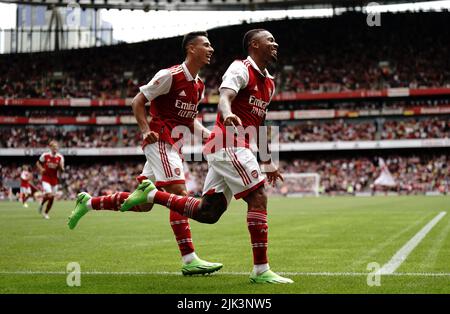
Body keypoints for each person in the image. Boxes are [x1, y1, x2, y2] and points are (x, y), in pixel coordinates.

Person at [121, 29, 293, 284]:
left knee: (208, 213)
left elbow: (260, 122)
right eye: (270, 40)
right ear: (255, 45)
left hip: (231, 145)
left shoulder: (269, 83)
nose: (275, 43)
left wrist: (267, 161)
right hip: (228, 143)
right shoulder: (240, 68)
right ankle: (260, 269)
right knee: (257, 196)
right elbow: (225, 97)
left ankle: (152, 194)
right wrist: (227, 113)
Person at [68, 31, 222, 276]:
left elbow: (189, 119)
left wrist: (209, 134)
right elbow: (137, 101)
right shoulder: (169, 76)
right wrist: (144, 129)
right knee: (179, 194)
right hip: (160, 141)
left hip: (174, 145)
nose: (211, 49)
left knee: (143, 205)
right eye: (206, 44)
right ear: (191, 49)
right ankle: (190, 259)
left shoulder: (199, 86)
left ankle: (88, 203)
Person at [36, 140, 64, 219]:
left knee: (52, 198)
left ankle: (45, 212)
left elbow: (62, 169)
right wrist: (41, 169)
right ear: (50, 147)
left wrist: (60, 167)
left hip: (54, 180)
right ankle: (42, 206)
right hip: (46, 178)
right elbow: (38, 163)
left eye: (56, 147)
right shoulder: (45, 155)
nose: (55, 148)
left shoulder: (60, 157)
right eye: (54, 147)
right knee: (50, 194)